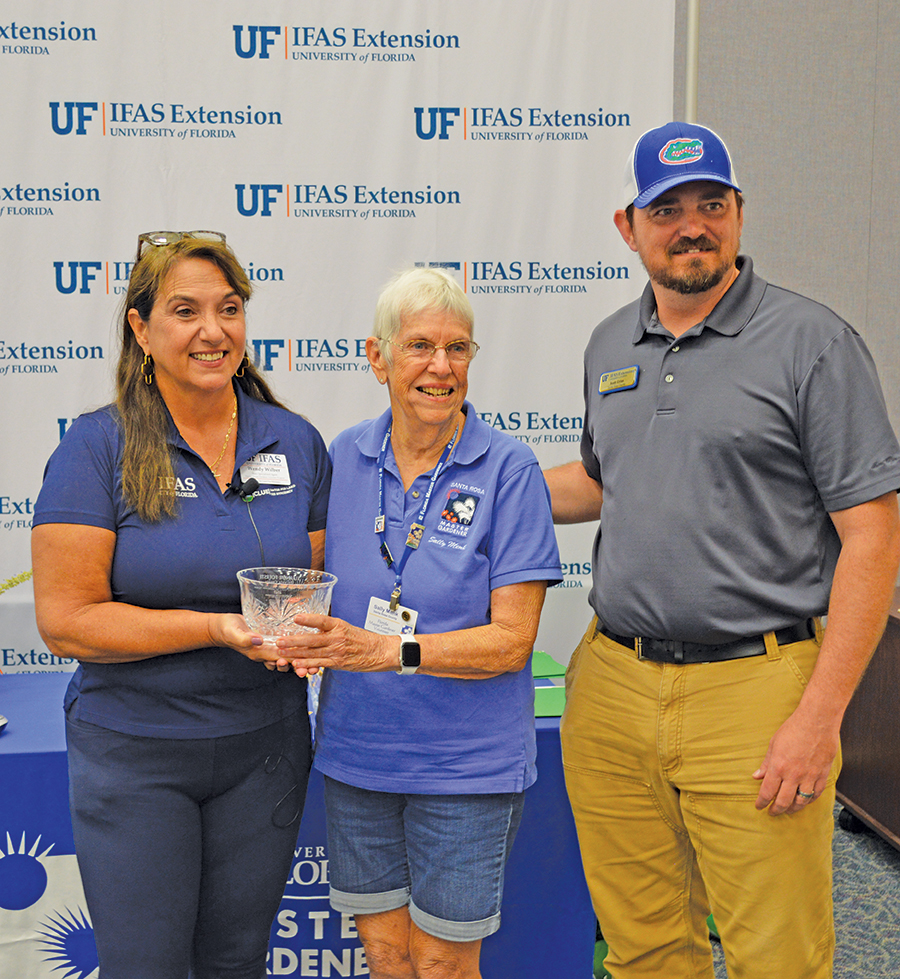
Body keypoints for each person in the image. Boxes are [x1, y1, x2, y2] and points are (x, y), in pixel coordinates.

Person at [544, 122, 900, 978]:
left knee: (776, 956)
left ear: (740, 215)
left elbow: (874, 533)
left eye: (712, 204)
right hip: (613, 686)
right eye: (667, 209)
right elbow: (602, 478)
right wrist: (472, 486)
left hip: (756, 689)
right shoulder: (608, 344)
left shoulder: (813, 342)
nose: (691, 225)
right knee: (642, 947)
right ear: (628, 227)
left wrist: (819, 720)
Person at [31, 230, 331, 979]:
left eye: (228, 309)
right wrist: (212, 627)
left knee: (236, 963)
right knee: (147, 968)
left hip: (265, 750)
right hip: (136, 756)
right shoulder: (96, 449)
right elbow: (65, 621)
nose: (212, 330)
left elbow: (318, 579)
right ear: (141, 328)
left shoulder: (294, 441)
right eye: (185, 310)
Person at [271, 267, 562, 979]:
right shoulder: (342, 457)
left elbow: (511, 640)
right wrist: (288, 633)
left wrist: (385, 649)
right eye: (421, 347)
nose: (440, 367)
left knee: (441, 962)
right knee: (386, 953)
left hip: (466, 767)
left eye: (458, 348)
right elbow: (308, 585)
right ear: (378, 358)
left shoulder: (510, 469)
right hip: (358, 755)